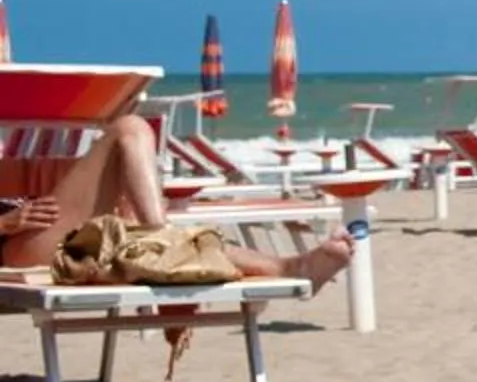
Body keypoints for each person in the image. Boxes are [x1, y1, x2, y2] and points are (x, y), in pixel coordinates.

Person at [0, 117, 354, 291]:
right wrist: (6, 224)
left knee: (132, 151)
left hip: (39, 228)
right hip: (19, 245)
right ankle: (163, 239)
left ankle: (288, 267)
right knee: (129, 128)